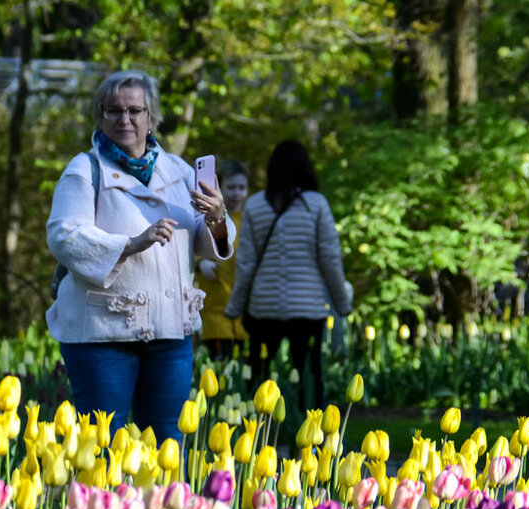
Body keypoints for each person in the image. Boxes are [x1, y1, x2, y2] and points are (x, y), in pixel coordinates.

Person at [46, 70, 236, 443]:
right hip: (103, 337)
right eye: (114, 111)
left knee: (167, 443)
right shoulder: (85, 170)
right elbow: (64, 236)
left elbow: (204, 240)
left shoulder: (178, 171)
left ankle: (165, 506)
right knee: (102, 446)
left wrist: (216, 215)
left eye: (135, 110)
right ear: (100, 116)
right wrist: (130, 244)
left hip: (169, 333)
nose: (125, 119)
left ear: (152, 118)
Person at [225, 140, 352, 411]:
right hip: (307, 309)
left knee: (259, 375)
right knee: (309, 374)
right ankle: (311, 435)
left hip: (263, 307)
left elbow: (245, 263)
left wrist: (235, 307)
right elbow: (330, 259)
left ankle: (257, 433)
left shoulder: (255, 205)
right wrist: (342, 304)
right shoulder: (316, 204)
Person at [196, 159, 250, 360]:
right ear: (220, 188)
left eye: (242, 188)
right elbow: (190, 245)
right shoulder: (205, 217)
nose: (237, 194)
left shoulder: (252, 219)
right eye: (231, 188)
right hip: (217, 316)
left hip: (247, 317)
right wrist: (199, 262)